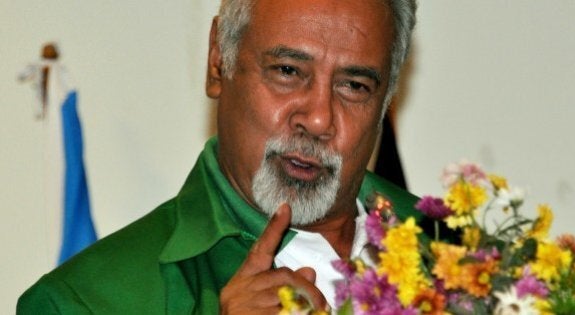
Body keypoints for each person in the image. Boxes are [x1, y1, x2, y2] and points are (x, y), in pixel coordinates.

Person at [18, 0, 427, 313]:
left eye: (354, 85)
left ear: (387, 95)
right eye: (287, 71)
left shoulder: (469, 253)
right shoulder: (80, 303)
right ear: (218, 61)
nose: (319, 118)